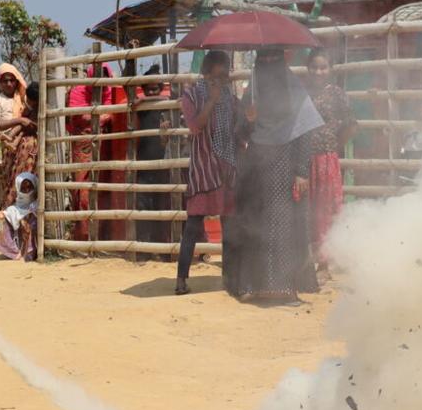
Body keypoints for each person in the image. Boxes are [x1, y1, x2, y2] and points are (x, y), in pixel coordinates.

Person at [229, 48, 323, 306]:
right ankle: (253, 286)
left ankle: (283, 287)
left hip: (287, 162)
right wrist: (248, 120)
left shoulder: (293, 87)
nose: (268, 66)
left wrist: (302, 172)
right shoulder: (254, 89)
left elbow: (304, 131)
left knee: (283, 224)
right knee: (254, 223)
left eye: (273, 61)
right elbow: (241, 132)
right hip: (258, 164)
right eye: (263, 61)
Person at [176, 51, 238, 295]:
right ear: (208, 71)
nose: (223, 76)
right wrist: (211, 100)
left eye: (226, 72)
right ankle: (181, 279)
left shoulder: (230, 96)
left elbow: (237, 129)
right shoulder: (191, 94)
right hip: (203, 169)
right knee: (192, 226)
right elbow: (194, 126)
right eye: (219, 71)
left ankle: (229, 278)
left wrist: (247, 116)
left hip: (227, 167)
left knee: (229, 226)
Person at [305, 49, 356, 273]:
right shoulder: (303, 93)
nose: (318, 71)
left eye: (323, 67)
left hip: (326, 158)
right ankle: (309, 256)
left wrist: (335, 146)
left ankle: (327, 258)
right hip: (304, 158)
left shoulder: (336, 93)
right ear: (308, 69)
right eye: (314, 67)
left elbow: (351, 124)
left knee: (325, 207)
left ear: (330, 70)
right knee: (307, 206)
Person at [66, 63, 127, 242]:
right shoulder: (78, 91)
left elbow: (113, 111)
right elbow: (80, 115)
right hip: (83, 146)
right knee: (83, 191)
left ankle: (104, 236)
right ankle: (85, 236)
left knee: (104, 189)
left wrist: (99, 116)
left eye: (104, 77)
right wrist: (104, 116)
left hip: (105, 146)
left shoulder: (110, 91)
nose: (101, 82)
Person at [131, 64, 172, 251]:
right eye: (148, 89)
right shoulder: (143, 107)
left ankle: (161, 248)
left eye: (155, 89)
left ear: (161, 89)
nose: (152, 92)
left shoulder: (169, 106)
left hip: (163, 163)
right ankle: (144, 248)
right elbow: (130, 93)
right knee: (143, 204)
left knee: (161, 205)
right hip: (144, 161)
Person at [0, 63, 31, 199]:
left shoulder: (25, 100)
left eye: (11, 80)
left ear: (16, 81)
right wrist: (18, 121)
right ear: (0, 83)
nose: (8, 83)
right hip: (5, 144)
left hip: (25, 142)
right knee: (10, 182)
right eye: (4, 80)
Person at [0, 82, 40, 209]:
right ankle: (11, 138)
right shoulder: (27, 106)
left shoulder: (39, 109)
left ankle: (11, 139)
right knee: (21, 125)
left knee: (22, 126)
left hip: (31, 132)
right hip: (26, 131)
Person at [0, 171, 38, 261]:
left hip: (33, 237)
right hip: (19, 239)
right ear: (18, 188)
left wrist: (25, 218)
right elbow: (6, 213)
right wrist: (2, 216)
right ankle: (13, 252)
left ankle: (29, 252)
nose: (26, 191)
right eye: (23, 188)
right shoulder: (14, 208)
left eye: (29, 187)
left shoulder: (36, 204)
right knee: (3, 220)